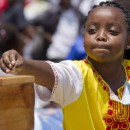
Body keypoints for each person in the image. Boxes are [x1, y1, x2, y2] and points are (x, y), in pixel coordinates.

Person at [1, 1, 130, 130]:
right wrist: (25, 65)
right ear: (83, 39)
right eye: (92, 30)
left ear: (128, 41)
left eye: (112, 31)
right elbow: (56, 73)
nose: (101, 36)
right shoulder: (77, 74)